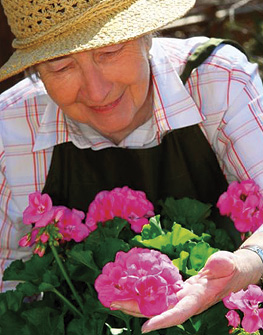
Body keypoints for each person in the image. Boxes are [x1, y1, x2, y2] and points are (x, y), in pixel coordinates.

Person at [0, 0, 263, 333]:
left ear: (146, 35)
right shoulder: (9, 127)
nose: (97, 92)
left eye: (109, 51)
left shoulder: (219, 81)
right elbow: (7, 272)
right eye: (61, 66)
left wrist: (248, 262)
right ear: (36, 69)